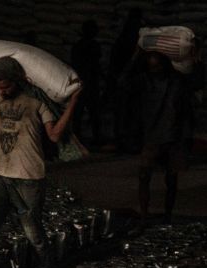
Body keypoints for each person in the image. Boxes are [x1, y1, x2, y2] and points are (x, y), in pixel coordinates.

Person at [0, 58, 81, 268]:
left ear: (17, 80)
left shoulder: (36, 102)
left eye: (6, 86)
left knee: (33, 232)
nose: (2, 91)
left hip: (29, 177)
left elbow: (53, 135)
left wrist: (73, 102)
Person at [129, 51, 194, 225]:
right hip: (152, 136)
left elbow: (185, 110)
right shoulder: (144, 82)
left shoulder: (177, 82)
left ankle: (168, 214)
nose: (155, 71)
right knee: (144, 176)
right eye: (152, 68)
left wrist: (185, 137)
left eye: (158, 67)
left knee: (171, 178)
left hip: (172, 136)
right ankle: (144, 213)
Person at [108, 8, 144, 151]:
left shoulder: (124, 39)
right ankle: (127, 141)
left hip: (127, 81)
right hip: (127, 81)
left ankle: (125, 141)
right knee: (128, 113)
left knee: (127, 113)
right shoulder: (132, 41)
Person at [70, 20, 103, 144]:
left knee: (81, 112)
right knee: (90, 112)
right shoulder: (93, 46)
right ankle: (93, 138)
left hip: (83, 83)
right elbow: (95, 65)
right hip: (88, 83)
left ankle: (78, 138)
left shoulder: (78, 46)